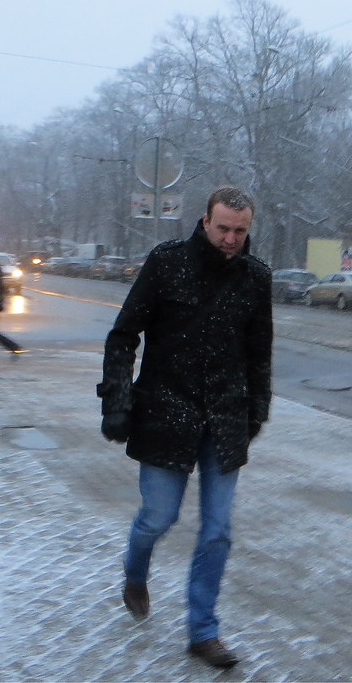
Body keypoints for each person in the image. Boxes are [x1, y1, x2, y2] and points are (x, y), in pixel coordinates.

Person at [97, 186, 272, 669]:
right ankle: (135, 570)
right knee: (159, 517)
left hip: (225, 417)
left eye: (240, 230)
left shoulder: (256, 278)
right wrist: (118, 397)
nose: (231, 239)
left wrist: (255, 412)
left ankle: (203, 631)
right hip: (165, 411)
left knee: (217, 530)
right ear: (204, 221)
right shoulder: (167, 262)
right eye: (223, 228)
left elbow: (260, 354)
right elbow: (124, 334)